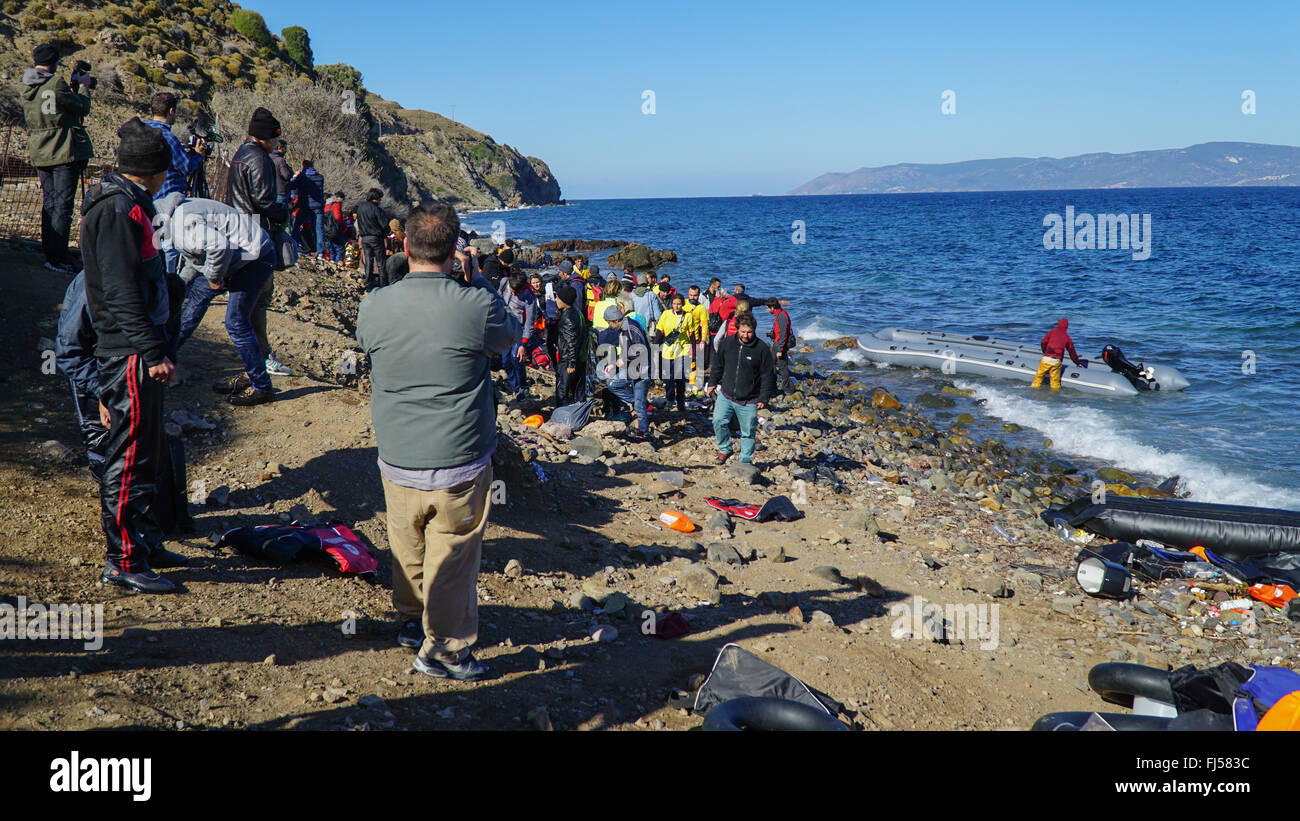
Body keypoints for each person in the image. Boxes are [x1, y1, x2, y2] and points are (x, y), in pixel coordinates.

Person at [356, 202, 519, 681]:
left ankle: (411, 622)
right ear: (455, 253)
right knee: (451, 553)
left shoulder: (375, 304)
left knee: (407, 540)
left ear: (404, 248)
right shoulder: (476, 304)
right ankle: (444, 650)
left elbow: (369, 343)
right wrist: (480, 280)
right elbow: (509, 335)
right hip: (460, 457)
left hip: (397, 452)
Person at [80, 118, 181, 593]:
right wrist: (152, 349)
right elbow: (120, 292)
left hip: (134, 348)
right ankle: (122, 557)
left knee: (147, 450)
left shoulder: (129, 202)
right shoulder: (120, 210)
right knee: (128, 453)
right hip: (128, 352)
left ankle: (144, 540)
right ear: (153, 170)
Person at [156, 192, 276, 406]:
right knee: (192, 305)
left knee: (236, 322)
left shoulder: (182, 225)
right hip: (236, 257)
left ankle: (262, 386)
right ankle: (164, 357)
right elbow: (195, 258)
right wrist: (179, 285)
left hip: (255, 257)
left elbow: (219, 247)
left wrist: (214, 278)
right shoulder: (178, 217)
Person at [226, 107, 292, 377]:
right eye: (275, 138)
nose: (278, 144)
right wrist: (282, 213)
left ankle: (254, 354)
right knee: (259, 297)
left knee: (246, 299)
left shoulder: (241, 154)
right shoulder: (259, 159)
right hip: (256, 233)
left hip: (240, 228)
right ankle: (261, 356)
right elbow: (263, 200)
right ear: (265, 137)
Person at [21, 43, 93, 274]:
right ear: (54, 61)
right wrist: (83, 87)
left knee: (50, 203)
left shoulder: (28, 86)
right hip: (62, 149)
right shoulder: (55, 83)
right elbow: (81, 108)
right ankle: (58, 257)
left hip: (40, 150)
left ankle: (50, 252)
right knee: (62, 205)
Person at [707, 313, 775, 466]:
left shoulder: (761, 349)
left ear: (754, 330)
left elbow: (768, 375)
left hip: (749, 399)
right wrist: (712, 382)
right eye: (742, 332)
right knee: (718, 421)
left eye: (749, 332)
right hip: (726, 394)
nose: (745, 335)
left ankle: (745, 461)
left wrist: (764, 397)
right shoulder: (727, 343)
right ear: (737, 329)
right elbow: (718, 364)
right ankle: (725, 449)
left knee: (748, 432)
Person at [599, 304, 653, 442]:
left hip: (642, 371)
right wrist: (615, 363)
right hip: (632, 370)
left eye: (610, 323)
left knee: (639, 405)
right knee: (613, 384)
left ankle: (644, 434)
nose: (610, 326)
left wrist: (620, 362)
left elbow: (639, 351)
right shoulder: (624, 327)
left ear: (616, 320)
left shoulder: (630, 328)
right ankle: (637, 403)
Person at [654, 292, 698, 413]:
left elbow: (692, 335)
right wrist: (654, 349)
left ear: (683, 304)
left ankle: (680, 402)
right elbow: (659, 333)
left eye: (679, 304)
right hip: (668, 351)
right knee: (668, 378)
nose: (677, 306)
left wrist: (694, 354)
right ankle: (669, 399)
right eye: (674, 304)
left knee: (680, 378)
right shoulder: (666, 314)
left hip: (683, 350)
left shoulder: (688, 316)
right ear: (671, 304)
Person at [498, 270, 540, 397]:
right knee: (505, 361)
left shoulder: (530, 298)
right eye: (511, 290)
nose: (512, 293)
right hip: (504, 327)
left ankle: (523, 386)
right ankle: (514, 388)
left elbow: (529, 324)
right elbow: (497, 298)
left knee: (516, 358)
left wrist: (523, 344)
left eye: (516, 292)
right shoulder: (505, 283)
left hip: (519, 330)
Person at [553, 283, 587, 405]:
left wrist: (571, 364)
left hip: (568, 360)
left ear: (564, 301)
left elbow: (572, 342)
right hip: (580, 358)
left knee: (563, 390)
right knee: (578, 390)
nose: (556, 299)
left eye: (558, 298)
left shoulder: (567, 318)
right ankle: (579, 413)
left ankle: (561, 416)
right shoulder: (576, 311)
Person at [1032, 318, 1086, 390]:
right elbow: (1071, 352)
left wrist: (1045, 352)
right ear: (1067, 327)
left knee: (1038, 378)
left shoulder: (1052, 332)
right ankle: (1054, 396)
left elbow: (1043, 342)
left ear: (1058, 324)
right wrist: (1077, 363)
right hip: (1056, 362)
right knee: (1055, 382)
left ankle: (1033, 391)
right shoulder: (1067, 337)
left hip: (1045, 360)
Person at [288, 158, 325, 256]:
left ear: (303, 165)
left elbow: (291, 186)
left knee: (296, 226)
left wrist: (295, 176)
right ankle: (320, 251)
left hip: (305, 204)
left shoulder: (302, 177)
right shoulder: (320, 177)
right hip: (318, 206)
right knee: (319, 229)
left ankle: (294, 245)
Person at [354, 188, 388, 289]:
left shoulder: (360, 207)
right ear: (376, 198)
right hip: (376, 238)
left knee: (368, 262)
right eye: (380, 199)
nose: (380, 201)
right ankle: (383, 285)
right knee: (380, 263)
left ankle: (368, 284)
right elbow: (384, 224)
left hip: (364, 238)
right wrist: (386, 232)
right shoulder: (376, 209)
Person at [765, 297, 795, 392]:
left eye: (768, 308)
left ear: (773, 307)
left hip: (779, 345)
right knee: (771, 363)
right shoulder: (778, 314)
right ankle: (773, 385)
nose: (767, 309)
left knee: (782, 367)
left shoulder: (781, 316)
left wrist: (780, 350)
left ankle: (787, 388)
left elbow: (783, 334)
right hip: (777, 343)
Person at [687, 285, 711, 395]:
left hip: (695, 339)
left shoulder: (701, 308)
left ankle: (692, 384)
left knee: (694, 362)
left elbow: (705, 325)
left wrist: (703, 340)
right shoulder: (683, 304)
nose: (693, 297)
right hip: (682, 339)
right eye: (691, 295)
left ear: (698, 295)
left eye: (695, 295)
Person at [322, 190, 346, 261]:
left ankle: (331, 265)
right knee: (339, 249)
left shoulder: (326, 205)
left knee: (331, 250)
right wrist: (343, 226)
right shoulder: (336, 205)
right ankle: (337, 266)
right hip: (335, 231)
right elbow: (338, 217)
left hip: (326, 230)